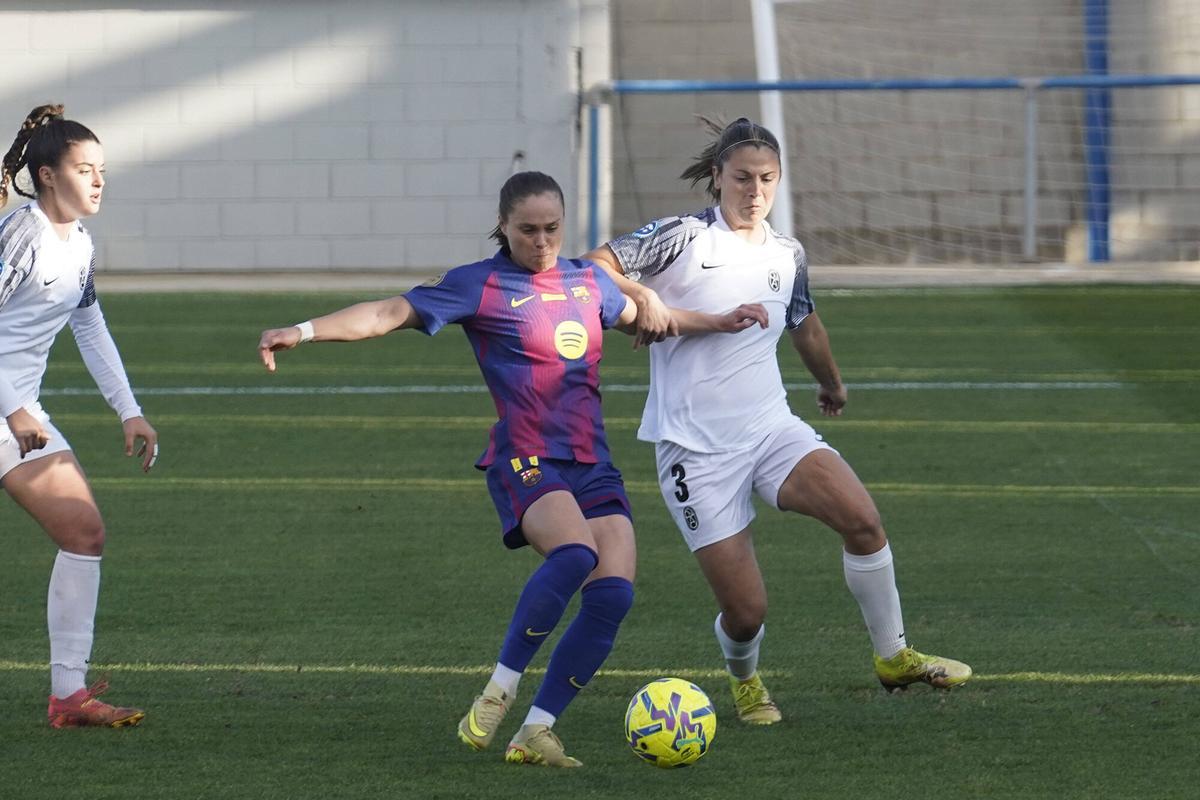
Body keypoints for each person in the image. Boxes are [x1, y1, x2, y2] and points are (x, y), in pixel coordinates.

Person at [258, 171, 765, 766]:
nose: (542, 240)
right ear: (503, 226)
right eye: (528, 230)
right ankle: (498, 691)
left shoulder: (585, 281)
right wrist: (304, 331)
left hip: (590, 460)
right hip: (524, 455)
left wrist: (720, 319)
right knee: (575, 554)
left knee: (614, 594)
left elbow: (654, 320)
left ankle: (537, 731)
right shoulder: (481, 284)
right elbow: (388, 312)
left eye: (552, 228)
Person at [584, 117, 971, 726]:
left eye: (767, 179)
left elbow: (806, 325)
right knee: (747, 613)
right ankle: (746, 681)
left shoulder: (787, 254)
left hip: (770, 429)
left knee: (864, 521)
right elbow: (590, 269)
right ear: (717, 178)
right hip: (694, 452)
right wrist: (646, 297)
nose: (754, 190)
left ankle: (893, 655)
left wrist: (831, 384)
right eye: (742, 177)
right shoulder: (681, 238)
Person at [0, 104, 158, 728]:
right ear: (45, 176)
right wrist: (12, 408)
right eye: (84, 169)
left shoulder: (79, 242)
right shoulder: (20, 235)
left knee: (84, 535)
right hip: (10, 411)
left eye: (102, 170)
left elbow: (88, 322)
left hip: (16, 414)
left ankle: (68, 697)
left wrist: (129, 410)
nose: (98, 181)